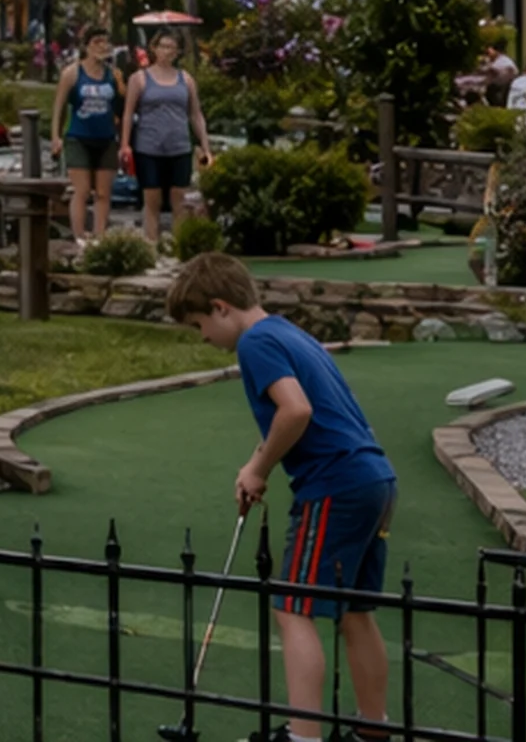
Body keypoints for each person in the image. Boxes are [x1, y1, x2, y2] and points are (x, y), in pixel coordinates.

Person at [166, 254, 396, 742]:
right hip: (374, 478)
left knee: (293, 607)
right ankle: (372, 730)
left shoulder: (255, 343)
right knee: (355, 611)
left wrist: (259, 468)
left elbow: (296, 411)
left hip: (335, 483)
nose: (202, 337)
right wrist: (256, 464)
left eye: (199, 324)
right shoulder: (290, 332)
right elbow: (300, 414)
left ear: (221, 307)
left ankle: (302, 736)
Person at [123, 28, 203, 244]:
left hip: (179, 146)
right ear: (154, 49)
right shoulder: (139, 79)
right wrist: (125, 144)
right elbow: (128, 113)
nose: (167, 52)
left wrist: (204, 143)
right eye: (164, 46)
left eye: (172, 48)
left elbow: (195, 113)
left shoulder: (186, 79)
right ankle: (151, 244)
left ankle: (179, 245)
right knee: (152, 199)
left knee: (180, 199)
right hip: (149, 146)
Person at [58, 25, 125, 243]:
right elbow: (60, 107)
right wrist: (56, 136)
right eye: (97, 42)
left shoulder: (113, 75)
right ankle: (79, 235)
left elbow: (121, 109)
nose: (103, 46)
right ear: (86, 46)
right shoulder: (72, 73)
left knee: (103, 192)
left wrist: (124, 140)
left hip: (106, 138)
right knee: (82, 190)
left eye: (106, 42)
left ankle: (100, 236)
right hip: (79, 137)